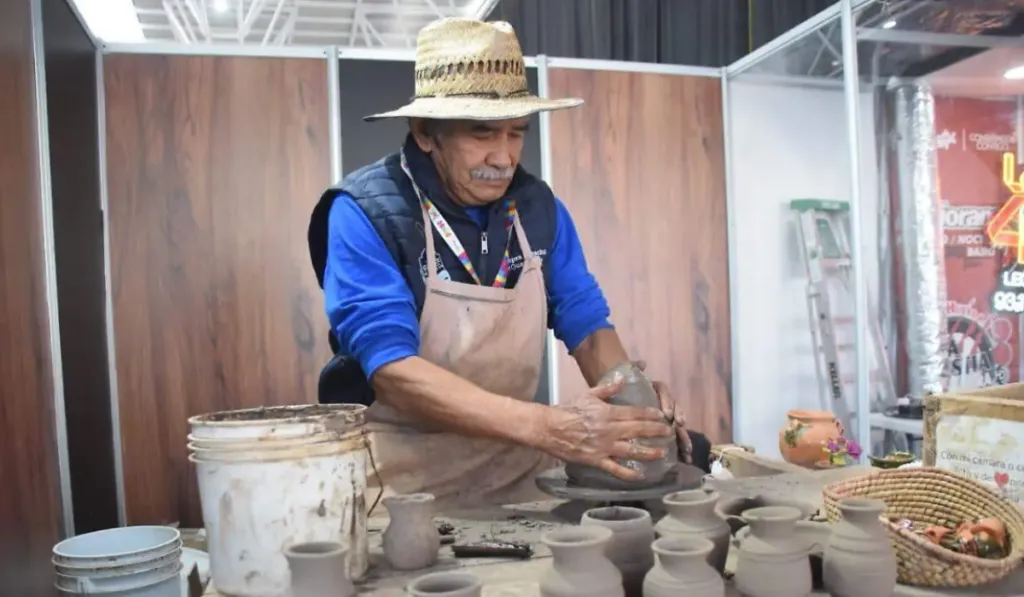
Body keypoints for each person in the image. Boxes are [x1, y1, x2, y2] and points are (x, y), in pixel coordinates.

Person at [308, 17, 709, 508]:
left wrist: (630, 394)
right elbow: (391, 368)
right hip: (401, 484)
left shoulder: (538, 209)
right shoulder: (365, 212)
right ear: (425, 131)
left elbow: (585, 321)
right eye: (482, 135)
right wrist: (548, 425)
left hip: (517, 470)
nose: (504, 157)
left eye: (516, 133)